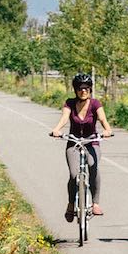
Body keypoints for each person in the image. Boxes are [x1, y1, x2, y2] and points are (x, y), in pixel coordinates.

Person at [47, 72, 112, 223]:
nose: (83, 91)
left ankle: (95, 203)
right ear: (75, 90)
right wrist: (56, 129)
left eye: (86, 88)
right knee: (73, 174)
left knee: (93, 167)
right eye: (80, 88)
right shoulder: (69, 103)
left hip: (92, 142)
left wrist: (107, 130)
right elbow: (64, 118)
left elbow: (102, 119)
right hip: (73, 142)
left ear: (90, 89)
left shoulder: (95, 103)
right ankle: (71, 204)